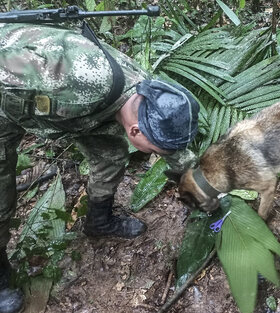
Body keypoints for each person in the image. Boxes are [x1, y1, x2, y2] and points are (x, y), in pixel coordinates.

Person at [0, 22, 199, 313]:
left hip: (70, 109)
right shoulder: (75, 83)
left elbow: (173, 148)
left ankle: (99, 221)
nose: (157, 155)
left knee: (111, 156)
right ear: (136, 132)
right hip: (7, 96)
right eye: (155, 151)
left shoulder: (148, 94)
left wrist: (200, 181)